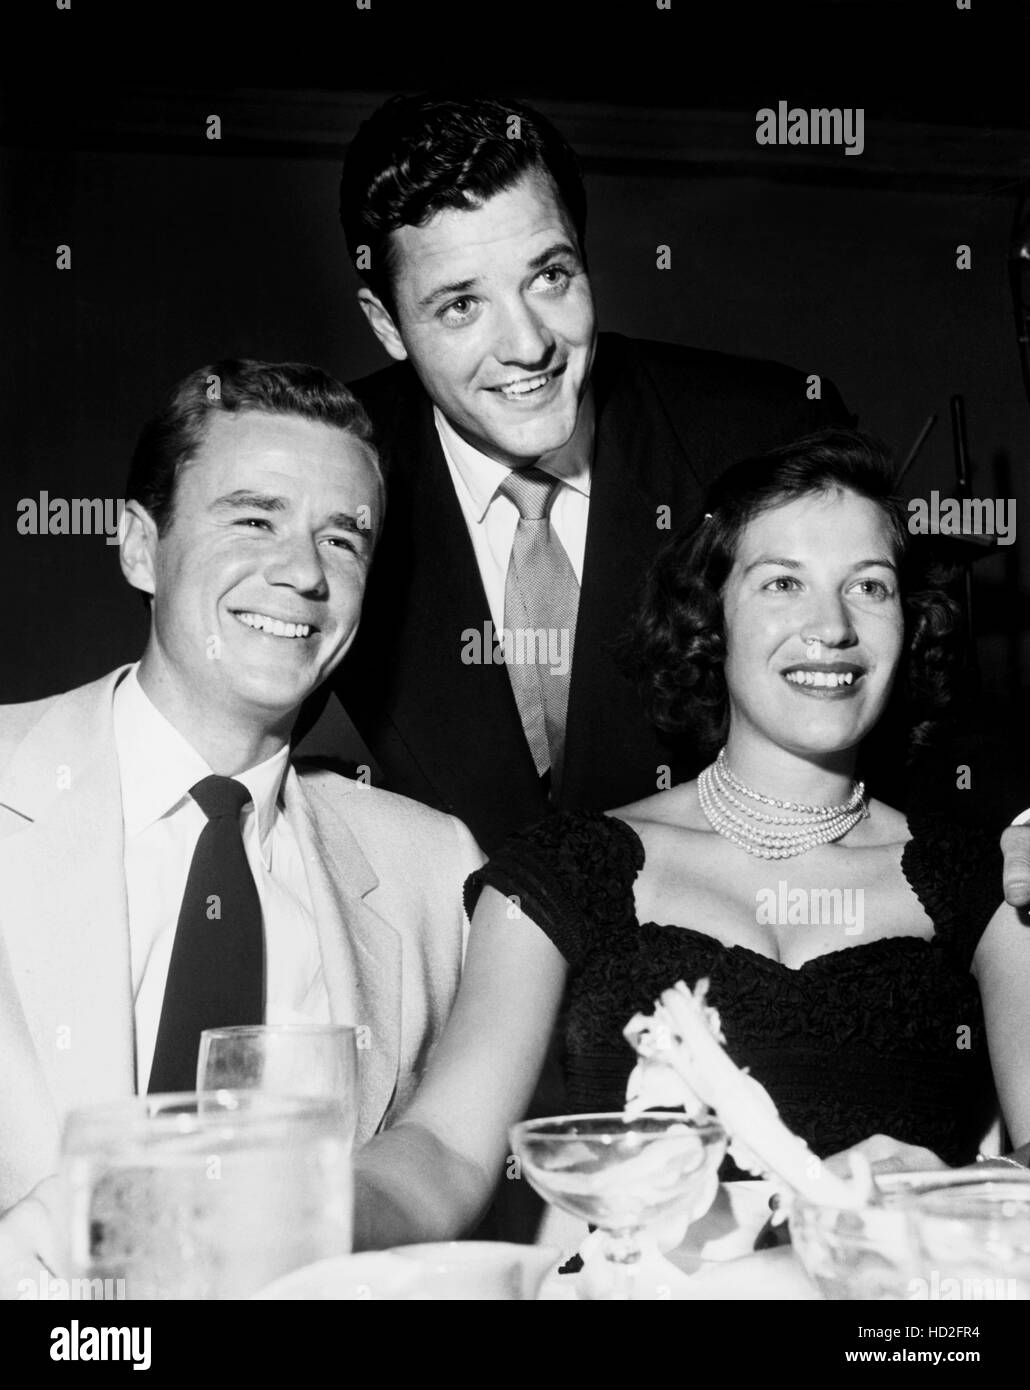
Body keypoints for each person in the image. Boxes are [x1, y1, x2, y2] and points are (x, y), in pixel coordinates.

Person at [352, 430, 1030, 1250]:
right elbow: (445, 1151)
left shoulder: (982, 880)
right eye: (783, 582)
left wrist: (957, 1194)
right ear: (713, 617)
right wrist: (302, 1217)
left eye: (871, 587)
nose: (832, 626)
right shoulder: (569, 868)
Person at [0, 359, 482, 1281]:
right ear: (142, 547)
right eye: (254, 518)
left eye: (342, 540)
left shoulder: (430, 869)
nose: (302, 572)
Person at [313, 91, 851, 855]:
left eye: (550, 277)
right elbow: (223, 730)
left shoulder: (763, 434)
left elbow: (916, 722)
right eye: (462, 305)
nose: (528, 344)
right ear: (385, 324)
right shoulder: (332, 467)